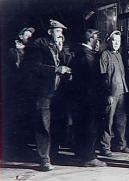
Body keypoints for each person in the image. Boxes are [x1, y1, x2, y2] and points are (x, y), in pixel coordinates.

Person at [21, 19, 71, 171]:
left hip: (58, 92)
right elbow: (32, 67)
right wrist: (56, 70)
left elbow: (64, 64)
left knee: (56, 124)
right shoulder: (37, 44)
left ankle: (53, 154)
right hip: (42, 91)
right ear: (50, 32)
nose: (60, 35)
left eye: (61, 32)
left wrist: (64, 58)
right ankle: (44, 159)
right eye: (57, 31)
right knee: (43, 125)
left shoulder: (57, 46)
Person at [71, 29, 106, 167]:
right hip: (89, 98)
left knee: (81, 126)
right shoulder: (88, 55)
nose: (98, 41)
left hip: (80, 98)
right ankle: (89, 157)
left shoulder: (79, 53)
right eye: (97, 38)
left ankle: (81, 154)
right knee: (90, 127)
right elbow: (93, 79)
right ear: (91, 39)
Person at [99, 30, 129, 157]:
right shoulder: (104, 55)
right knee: (108, 121)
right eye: (114, 40)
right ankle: (105, 147)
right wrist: (107, 93)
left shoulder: (119, 55)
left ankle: (121, 144)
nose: (116, 43)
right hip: (111, 93)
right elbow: (103, 76)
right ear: (109, 41)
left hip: (122, 92)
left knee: (121, 121)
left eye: (118, 41)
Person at [3, 27, 35, 149]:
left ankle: (23, 144)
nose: (30, 38)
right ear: (20, 37)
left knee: (26, 116)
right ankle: (17, 145)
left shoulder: (29, 51)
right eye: (27, 36)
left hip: (27, 87)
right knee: (18, 115)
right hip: (18, 88)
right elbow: (14, 70)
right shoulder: (13, 51)